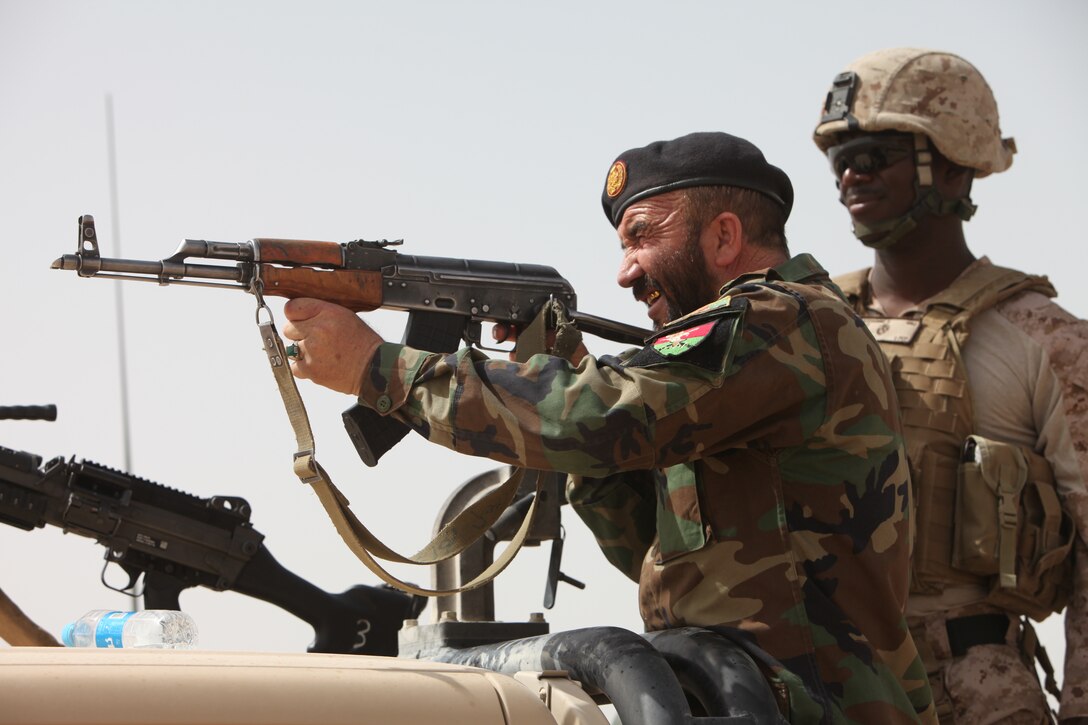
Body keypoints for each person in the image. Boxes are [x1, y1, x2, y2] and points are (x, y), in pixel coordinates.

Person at [283, 131, 936, 723]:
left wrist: (380, 369)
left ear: (723, 236)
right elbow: (647, 552)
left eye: (642, 236)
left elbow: (603, 416)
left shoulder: (778, 322)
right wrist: (566, 379)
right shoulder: (737, 366)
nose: (624, 272)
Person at [812, 47, 1088, 725]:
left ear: (956, 159)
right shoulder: (805, 324)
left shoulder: (1044, 340)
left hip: (968, 693)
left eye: (877, 152)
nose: (852, 171)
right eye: (840, 155)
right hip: (812, 683)